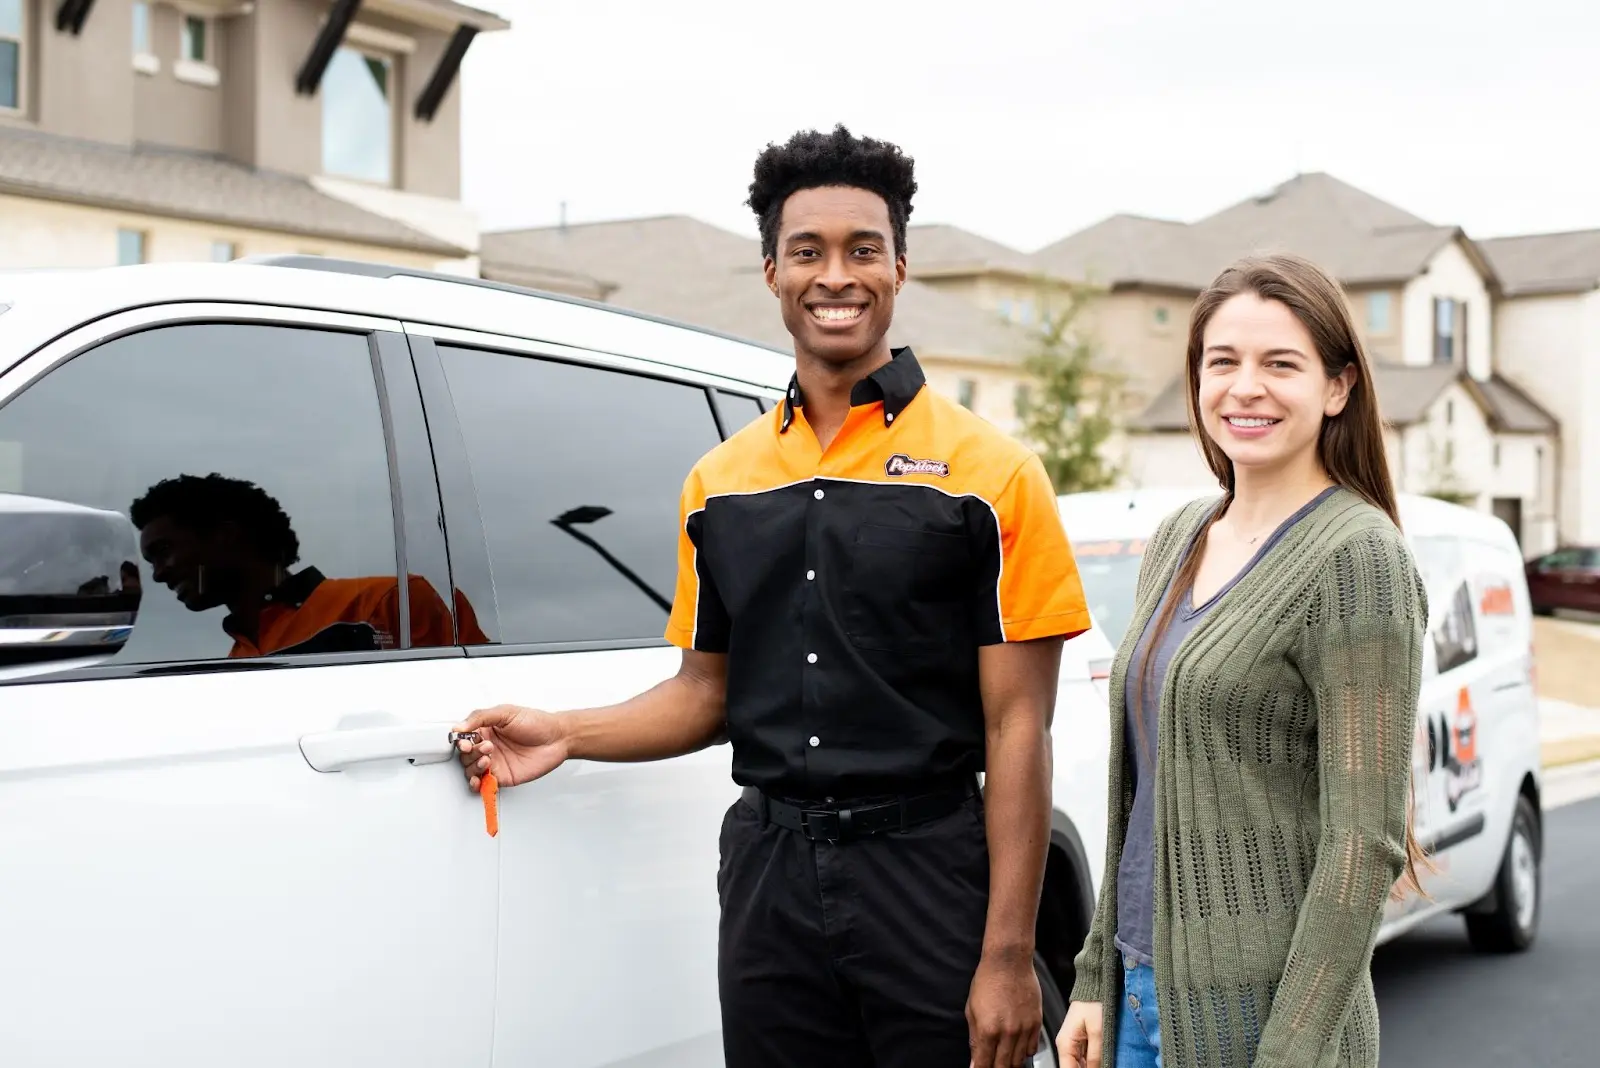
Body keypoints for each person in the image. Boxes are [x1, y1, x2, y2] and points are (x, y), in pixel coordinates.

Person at [453, 125, 1092, 1068]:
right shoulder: (720, 482)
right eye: (808, 252)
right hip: (768, 879)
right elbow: (703, 695)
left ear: (900, 267)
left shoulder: (991, 475)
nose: (837, 275)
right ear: (772, 273)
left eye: (862, 250)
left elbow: (1018, 732)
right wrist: (566, 731)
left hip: (929, 871)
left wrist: (1007, 956)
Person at [1055, 253, 1429, 1068]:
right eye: (1222, 362)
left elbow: (1363, 843)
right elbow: (1141, 794)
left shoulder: (1358, 557)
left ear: (1337, 388)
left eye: (1280, 364)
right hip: (1137, 997)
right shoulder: (1180, 538)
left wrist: (1287, 1054)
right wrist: (1092, 977)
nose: (1244, 387)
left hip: (1260, 1025)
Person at [129, 472, 478, 656]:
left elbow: (479, 714)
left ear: (226, 535)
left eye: (164, 551)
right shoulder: (237, 658)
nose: (158, 574)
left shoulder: (389, 601)